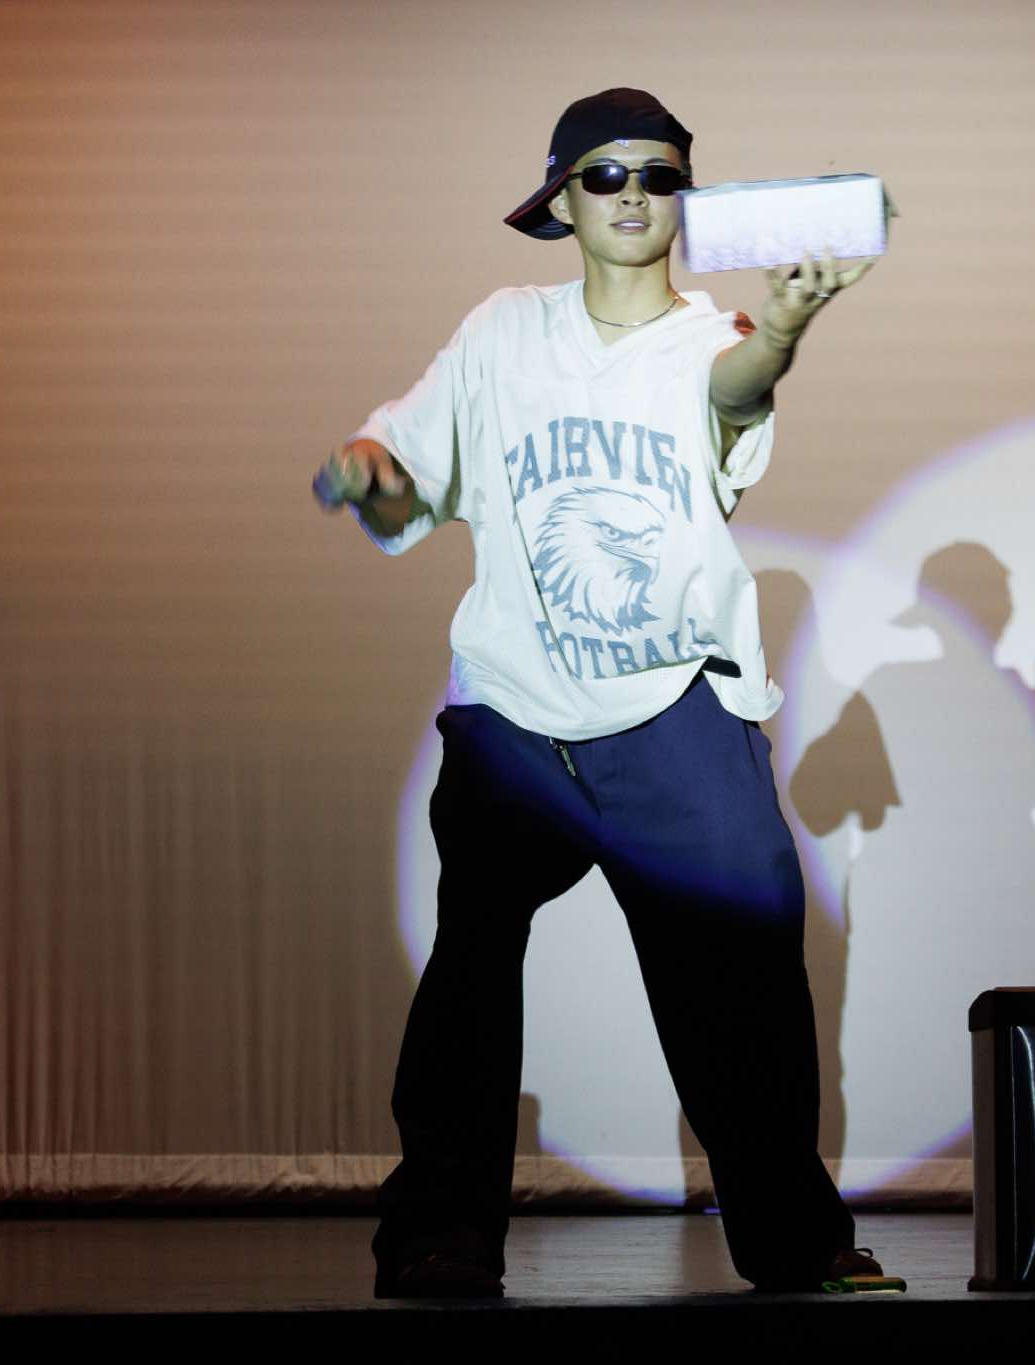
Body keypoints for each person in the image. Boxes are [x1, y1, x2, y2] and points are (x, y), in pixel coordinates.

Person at [312, 88, 881, 1298]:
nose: (632, 195)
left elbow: (734, 389)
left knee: (745, 971)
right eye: (605, 175)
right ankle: (438, 1237)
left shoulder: (711, 333)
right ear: (560, 201)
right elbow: (409, 481)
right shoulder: (502, 332)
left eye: (657, 176)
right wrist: (367, 474)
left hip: (674, 710)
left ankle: (795, 1243)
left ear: (683, 201)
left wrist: (784, 329)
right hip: (515, 719)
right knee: (469, 969)